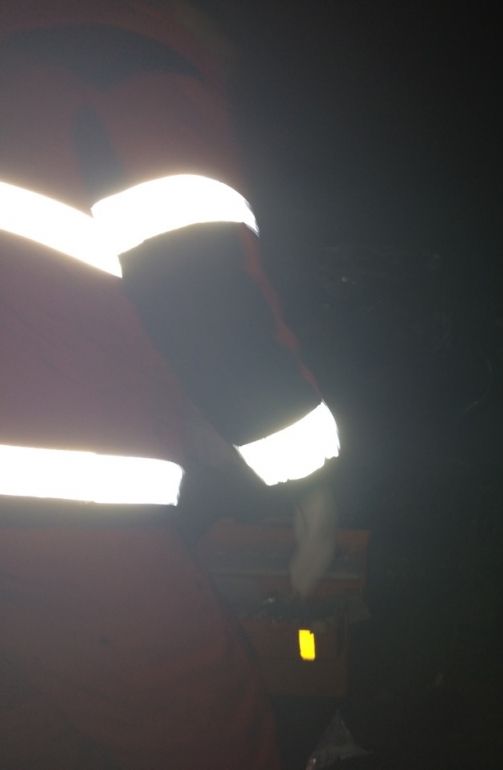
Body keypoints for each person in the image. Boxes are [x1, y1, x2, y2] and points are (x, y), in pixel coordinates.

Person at [0, 3, 341, 768]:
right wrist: (312, 482)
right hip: (63, 533)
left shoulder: (22, 66)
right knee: (209, 736)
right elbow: (206, 297)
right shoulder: (127, 68)